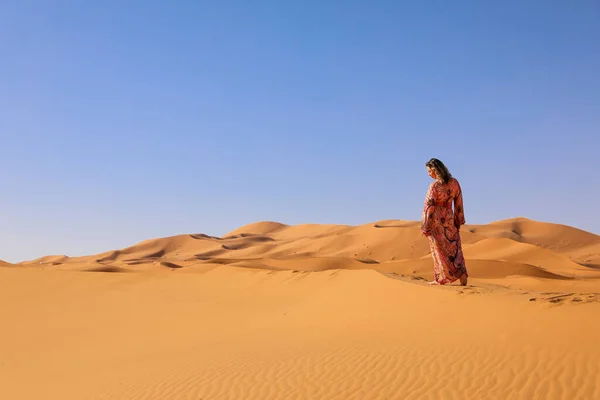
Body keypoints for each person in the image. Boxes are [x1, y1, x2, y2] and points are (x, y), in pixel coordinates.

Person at [421, 158, 468, 286]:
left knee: (438, 249)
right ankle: (462, 275)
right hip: (449, 218)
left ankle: (440, 279)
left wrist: (426, 225)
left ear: (435, 171)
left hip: (436, 220)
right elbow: (459, 202)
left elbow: (429, 206)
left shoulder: (434, 186)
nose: (429, 174)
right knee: (455, 247)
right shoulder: (454, 183)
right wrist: (458, 220)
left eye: (430, 171)